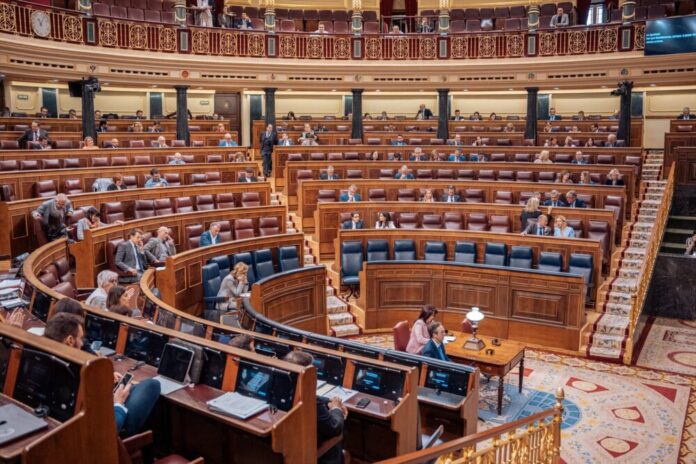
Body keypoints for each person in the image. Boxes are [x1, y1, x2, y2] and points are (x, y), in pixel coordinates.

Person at [44, 313, 161, 438]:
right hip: (103, 434)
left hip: (67, 427)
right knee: (152, 385)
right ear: (70, 340)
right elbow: (103, 431)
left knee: (131, 388)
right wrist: (118, 404)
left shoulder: (49, 364)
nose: (82, 343)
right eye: (81, 338)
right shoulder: (72, 375)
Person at [283, 351, 347, 464]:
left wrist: (328, 401)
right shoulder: (310, 400)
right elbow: (334, 428)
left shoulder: (284, 387)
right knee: (338, 437)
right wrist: (336, 408)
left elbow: (315, 398)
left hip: (288, 444)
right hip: (307, 451)